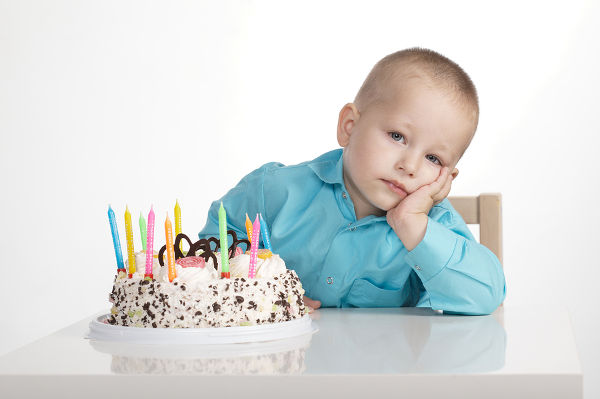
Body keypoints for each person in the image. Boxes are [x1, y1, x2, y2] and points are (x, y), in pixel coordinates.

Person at [199, 47, 506, 315]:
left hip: (382, 374)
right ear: (349, 126)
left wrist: (412, 225)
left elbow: (486, 296)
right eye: (397, 136)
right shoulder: (275, 190)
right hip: (285, 365)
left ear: (446, 179)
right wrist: (258, 294)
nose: (409, 166)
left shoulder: (432, 224)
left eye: (433, 159)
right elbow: (210, 246)